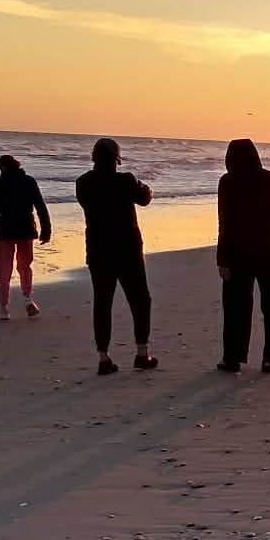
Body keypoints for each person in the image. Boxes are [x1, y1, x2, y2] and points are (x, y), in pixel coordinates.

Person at [214, 137, 270, 373]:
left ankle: (232, 358)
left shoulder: (228, 182)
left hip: (237, 254)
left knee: (235, 308)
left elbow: (225, 223)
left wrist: (222, 259)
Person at [75, 138, 157, 375]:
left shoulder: (83, 183)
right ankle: (142, 353)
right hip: (128, 250)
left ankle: (103, 357)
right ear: (116, 159)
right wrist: (143, 186)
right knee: (140, 300)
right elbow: (145, 199)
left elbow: (87, 204)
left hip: (98, 250)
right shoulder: (126, 180)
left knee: (102, 303)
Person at [0, 153, 51, 320]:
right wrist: (46, 230)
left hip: (6, 231)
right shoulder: (29, 181)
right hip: (25, 229)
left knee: (4, 270)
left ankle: (4, 307)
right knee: (25, 266)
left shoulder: (0, 183)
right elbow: (40, 207)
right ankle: (27, 298)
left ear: (3, 167)